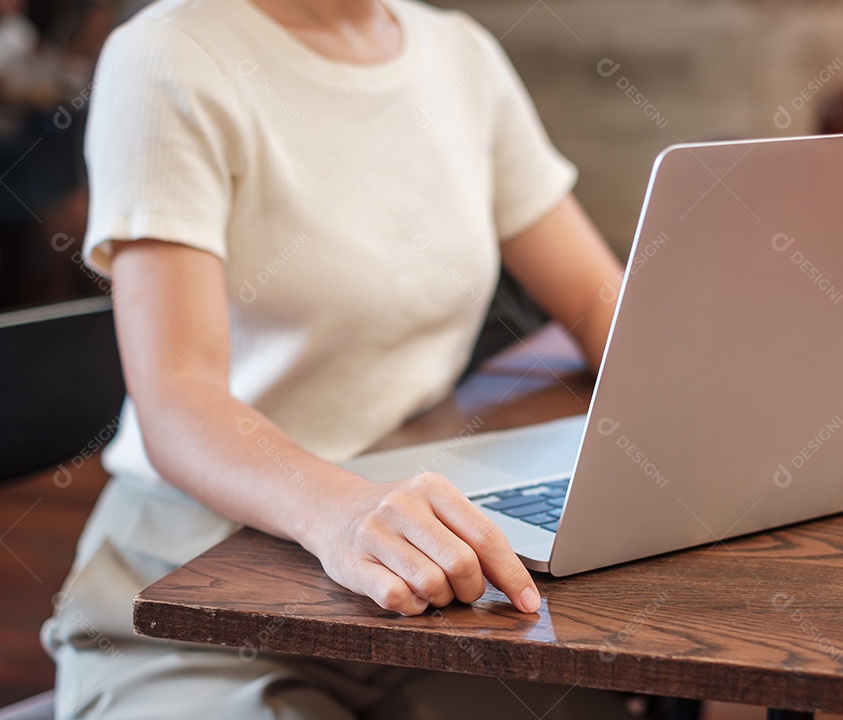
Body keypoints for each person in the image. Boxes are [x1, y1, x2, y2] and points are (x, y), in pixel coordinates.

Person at [40, 0, 630, 717]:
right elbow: (175, 398)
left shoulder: (459, 55)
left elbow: (602, 306)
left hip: (418, 579)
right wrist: (345, 515)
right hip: (198, 578)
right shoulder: (171, 52)